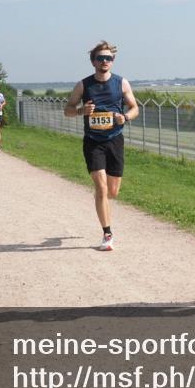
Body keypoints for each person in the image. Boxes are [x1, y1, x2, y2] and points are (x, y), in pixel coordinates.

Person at [63, 41, 139, 251]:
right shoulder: (83, 85)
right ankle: (107, 233)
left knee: (112, 191)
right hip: (93, 142)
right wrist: (81, 111)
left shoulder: (121, 83)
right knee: (101, 187)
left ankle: (101, 198)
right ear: (93, 61)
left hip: (115, 140)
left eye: (108, 58)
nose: (105, 61)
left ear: (112, 62)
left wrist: (124, 117)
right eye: (101, 58)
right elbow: (67, 109)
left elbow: (134, 108)